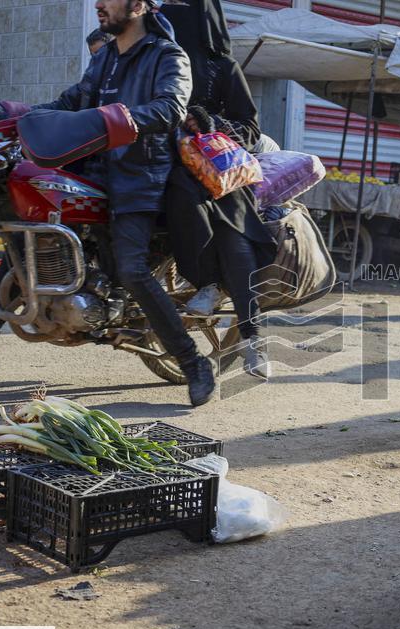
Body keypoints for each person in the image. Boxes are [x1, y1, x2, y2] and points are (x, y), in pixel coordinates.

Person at [35, 0, 215, 406]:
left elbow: (170, 108)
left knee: (133, 270)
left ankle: (193, 362)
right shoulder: (105, 60)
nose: (99, 4)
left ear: (138, 5)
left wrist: (111, 120)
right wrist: (14, 116)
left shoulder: (167, 54)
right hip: (94, 173)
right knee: (24, 235)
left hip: (138, 177)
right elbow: (73, 101)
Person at [161, 0, 275, 379]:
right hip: (166, 169)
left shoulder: (223, 68)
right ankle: (207, 282)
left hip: (218, 170)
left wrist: (211, 122)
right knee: (183, 205)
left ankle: (253, 339)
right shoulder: (157, 62)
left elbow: (250, 128)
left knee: (235, 234)